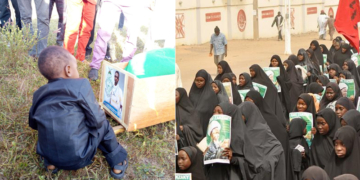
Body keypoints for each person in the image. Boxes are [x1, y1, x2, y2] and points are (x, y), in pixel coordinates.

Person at [29, 46, 128, 178]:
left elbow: (33, 124)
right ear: (68, 70)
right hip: (80, 157)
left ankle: (51, 164)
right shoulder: (80, 86)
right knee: (103, 124)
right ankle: (117, 160)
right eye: (76, 67)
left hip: (49, 154)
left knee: (47, 130)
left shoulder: (38, 94)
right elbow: (97, 120)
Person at [88, 1, 152, 80]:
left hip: (135, 3)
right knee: (104, 32)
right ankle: (95, 65)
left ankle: (125, 67)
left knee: (132, 35)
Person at [245, 90, 294, 180]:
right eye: (246, 101)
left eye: (251, 101)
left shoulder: (270, 120)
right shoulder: (248, 121)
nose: (248, 104)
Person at [238, 102, 286, 180]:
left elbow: (276, 150)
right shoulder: (240, 132)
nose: (239, 118)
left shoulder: (263, 131)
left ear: (248, 115)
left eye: (241, 115)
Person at [189, 69, 219, 137]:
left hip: (205, 125)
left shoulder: (210, 94)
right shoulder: (192, 92)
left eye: (201, 81)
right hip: (193, 126)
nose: (198, 83)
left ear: (206, 81)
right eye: (197, 80)